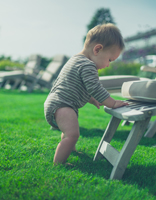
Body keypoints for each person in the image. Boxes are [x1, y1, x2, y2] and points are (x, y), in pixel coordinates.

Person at [44, 23, 129, 165]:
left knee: (68, 132)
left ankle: (70, 149)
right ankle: (59, 163)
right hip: (62, 104)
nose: (108, 65)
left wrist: (91, 99)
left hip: (58, 103)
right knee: (72, 134)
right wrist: (112, 103)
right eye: (109, 60)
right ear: (98, 49)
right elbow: (95, 87)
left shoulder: (76, 60)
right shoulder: (88, 65)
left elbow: (76, 86)